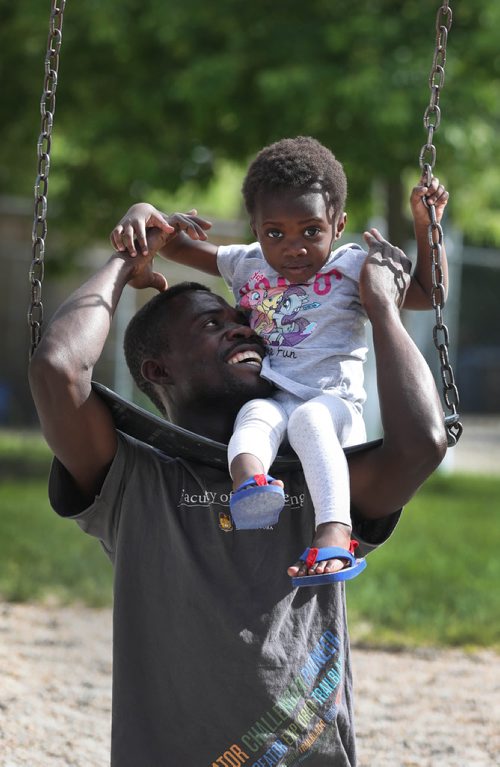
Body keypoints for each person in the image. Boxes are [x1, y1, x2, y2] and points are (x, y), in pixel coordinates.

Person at [29, 221, 447, 765]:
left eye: (242, 320)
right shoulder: (134, 478)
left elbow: (422, 444)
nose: (244, 330)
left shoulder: (317, 479)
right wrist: (124, 263)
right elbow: (57, 369)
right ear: (159, 369)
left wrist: (384, 310)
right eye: (212, 324)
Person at [110, 136, 449, 585]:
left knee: (308, 419)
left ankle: (333, 531)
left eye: (312, 231)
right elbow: (175, 247)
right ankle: (251, 488)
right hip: (277, 397)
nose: (294, 248)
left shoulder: (350, 267)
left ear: (339, 224)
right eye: (276, 233)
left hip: (333, 406)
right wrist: (142, 211)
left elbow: (430, 293)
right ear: (255, 229)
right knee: (252, 415)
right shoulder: (247, 264)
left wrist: (426, 227)